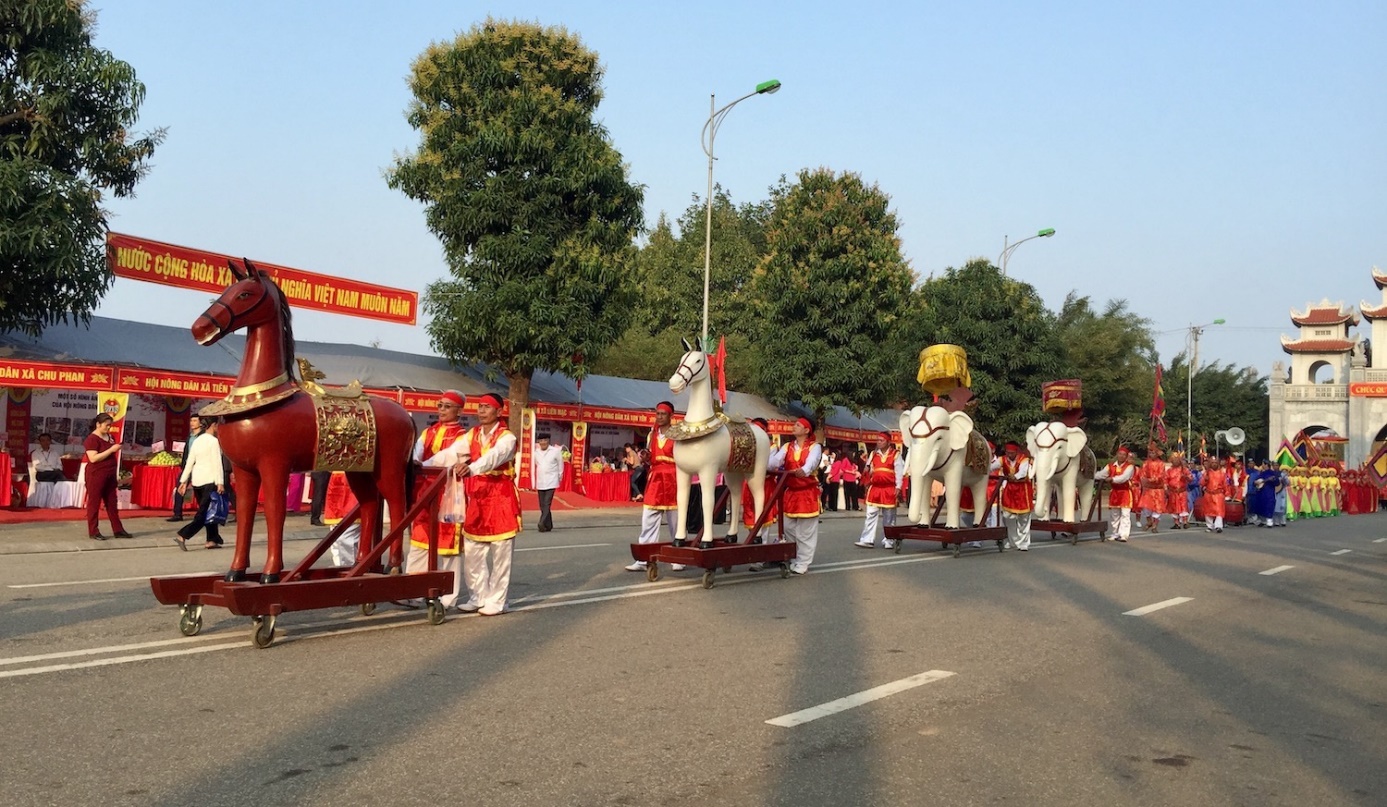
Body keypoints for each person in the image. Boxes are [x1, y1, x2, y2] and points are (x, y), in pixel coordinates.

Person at [440, 392, 521, 616]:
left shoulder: (507, 438)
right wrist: (423, 463)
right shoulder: (472, 434)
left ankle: (497, 601)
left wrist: (472, 468)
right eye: (480, 407)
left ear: (499, 411)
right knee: (473, 553)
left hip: (501, 499)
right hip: (477, 499)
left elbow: (494, 457)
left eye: (487, 407)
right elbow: (452, 452)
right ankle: (478, 596)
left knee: (500, 555)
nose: (481, 411)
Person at [408, 389, 468, 609]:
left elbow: (449, 457)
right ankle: (414, 590)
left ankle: (447, 596)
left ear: (459, 411)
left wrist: (422, 465)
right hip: (424, 492)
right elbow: (416, 451)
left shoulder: (463, 436)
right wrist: (415, 462)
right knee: (420, 542)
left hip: (448, 495)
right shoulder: (428, 432)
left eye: (446, 406)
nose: (441, 410)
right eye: (440, 405)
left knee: (449, 547)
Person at [626, 402, 684, 572]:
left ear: (671, 416)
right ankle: (644, 558)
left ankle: (678, 558)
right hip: (655, 478)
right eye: (657, 413)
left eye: (663, 414)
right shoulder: (652, 434)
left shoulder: (678, 435)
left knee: (676, 521)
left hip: (673, 478)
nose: (659, 417)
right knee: (648, 518)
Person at [768, 417, 823, 574]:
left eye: (798, 425)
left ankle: (804, 562)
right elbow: (775, 462)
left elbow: (811, 463)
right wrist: (763, 462)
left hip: (807, 494)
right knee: (788, 528)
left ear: (806, 431)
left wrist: (804, 471)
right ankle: (794, 556)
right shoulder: (787, 446)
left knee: (805, 532)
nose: (794, 426)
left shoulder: (815, 447)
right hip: (791, 493)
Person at [174, 416, 226, 550]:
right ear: (213, 425)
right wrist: (220, 482)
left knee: (210, 510)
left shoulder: (197, 440)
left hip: (197, 480)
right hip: (210, 480)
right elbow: (217, 463)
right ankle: (183, 535)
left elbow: (189, 462)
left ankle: (212, 539)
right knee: (203, 513)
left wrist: (183, 481)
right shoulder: (213, 441)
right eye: (217, 425)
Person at [83, 413, 131, 540]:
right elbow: (93, 458)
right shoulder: (92, 439)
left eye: (110, 425)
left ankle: (118, 529)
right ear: (98, 424)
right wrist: (111, 450)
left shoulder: (110, 437)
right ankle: (93, 531)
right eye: (106, 425)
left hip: (109, 474)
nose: (109, 428)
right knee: (94, 503)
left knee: (112, 503)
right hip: (96, 474)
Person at [855, 432, 903, 549]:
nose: (879, 442)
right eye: (878, 440)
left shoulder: (895, 454)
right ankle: (867, 539)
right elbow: (868, 470)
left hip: (889, 488)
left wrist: (898, 487)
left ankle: (889, 540)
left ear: (888, 442)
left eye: (881, 440)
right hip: (875, 488)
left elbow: (899, 471)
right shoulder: (873, 454)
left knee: (889, 516)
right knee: (870, 514)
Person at [994, 441, 1034, 551]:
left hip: (1023, 491)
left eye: (1011, 453)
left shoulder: (1024, 459)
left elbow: (1022, 473)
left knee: (1024, 518)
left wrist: (1014, 476)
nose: (1009, 455)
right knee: (1007, 516)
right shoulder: (1003, 459)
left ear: (1016, 452)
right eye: (1007, 452)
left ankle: (1024, 542)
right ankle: (1013, 541)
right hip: (1010, 491)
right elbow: (992, 467)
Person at [1093, 445, 1135, 542]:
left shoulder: (1129, 467)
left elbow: (1123, 478)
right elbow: (1101, 474)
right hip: (1115, 493)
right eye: (1120, 454)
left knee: (1125, 514)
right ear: (1117, 454)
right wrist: (1091, 475)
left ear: (1126, 456)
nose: (1121, 456)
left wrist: (1112, 479)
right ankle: (1115, 533)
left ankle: (1124, 534)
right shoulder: (1110, 466)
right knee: (1114, 515)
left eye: (1124, 455)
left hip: (1125, 493)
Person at [166, 414, 201, 522]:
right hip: (187, 466)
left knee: (200, 490)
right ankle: (177, 513)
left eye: (195, 421)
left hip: (199, 466)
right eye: (191, 421)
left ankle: (204, 513)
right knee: (179, 487)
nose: (192, 423)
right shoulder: (190, 436)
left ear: (201, 423)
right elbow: (186, 452)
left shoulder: (203, 437)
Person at [533, 432, 565, 532]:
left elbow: (561, 465)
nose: (543, 443)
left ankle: (541, 523)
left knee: (547, 503)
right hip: (540, 481)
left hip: (552, 480)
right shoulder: (536, 452)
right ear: (538, 442)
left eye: (545, 440)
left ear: (548, 441)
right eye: (541, 441)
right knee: (542, 504)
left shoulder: (555, 451)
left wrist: (559, 477)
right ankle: (549, 525)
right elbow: (536, 464)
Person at [1138, 445, 1167, 533]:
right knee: (1146, 508)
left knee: (1157, 509)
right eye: (1150, 452)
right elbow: (1142, 474)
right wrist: (1144, 480)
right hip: (1148, 489)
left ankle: (1155, 525)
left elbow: (1161, 476)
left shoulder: (1161, 464)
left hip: (1157, 490)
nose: (1151, 454)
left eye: (1153, 452)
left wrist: (1150, 480)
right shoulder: (1146, 463)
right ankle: (1149, 521)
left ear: (1157, 454)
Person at [1164, 452, 1193, 530]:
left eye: (1177, 459)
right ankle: (1176, 523)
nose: (1175, 461)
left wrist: (1186, 477)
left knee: (1183, 506)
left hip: (1182, 492)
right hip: (1172, 492)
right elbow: (1165, 480)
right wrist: (1166, 489)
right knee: (1173, 507)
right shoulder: (1169, 471)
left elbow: (1191, 479)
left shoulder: (1185, 470)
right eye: (1174, 459)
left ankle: (1185, 522)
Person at [1200, 455, 1227, 533]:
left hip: (1218, 495)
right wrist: (1205, 480)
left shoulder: (1222, 473)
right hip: (1208, 495)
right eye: (1212, 463)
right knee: (1208, 512)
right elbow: (1201, 483)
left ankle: (1218, 526)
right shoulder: (1206, 473)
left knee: (1219, 511)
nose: (1214, 464)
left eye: (1215, 463)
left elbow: (1225, 485)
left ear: (1218, 463)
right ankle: (1209, 526)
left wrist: (1227, 494)